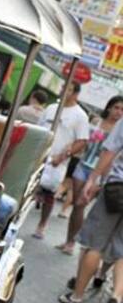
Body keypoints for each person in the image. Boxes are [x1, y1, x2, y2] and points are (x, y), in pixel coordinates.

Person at [59, 117, 123, 303]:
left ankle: (76, 298)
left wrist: (92, 179)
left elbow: (109, 151)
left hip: (118, 187)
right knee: (122, 249)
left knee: (94, 245)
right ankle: (116, 297)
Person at [56, 96, 123, 254]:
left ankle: (77, 243)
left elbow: (112, 154)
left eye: (122, 109)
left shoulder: (120, 128)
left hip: (104, 172)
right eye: (116, 108)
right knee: (77, 205)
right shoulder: (96, 123)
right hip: (84, 165)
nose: (118, 112)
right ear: (109, 108)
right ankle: (69, 240)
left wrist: (100, 178)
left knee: (81, 204)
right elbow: (83, 141)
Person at [33, 82, 90, 239]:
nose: (64, 91)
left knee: (49, 193)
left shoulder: (80, 115)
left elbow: (82, 141)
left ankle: (42, 224)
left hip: (57, 160)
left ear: (75, 94)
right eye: (63, 88)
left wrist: (64, 155)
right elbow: (38, 129)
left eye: (69, 89)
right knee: (29, 187)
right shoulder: (51, 108)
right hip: (39, 155)